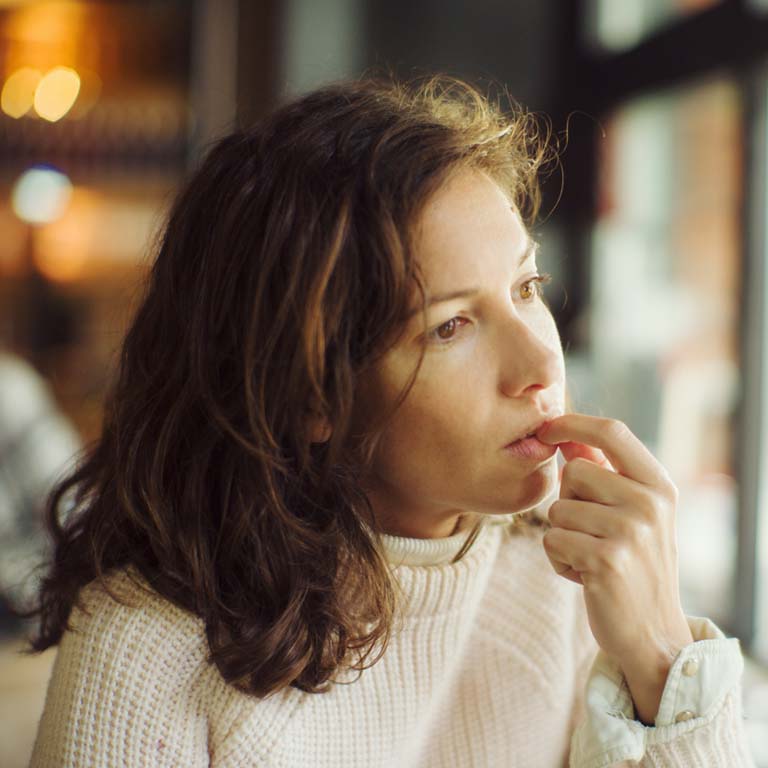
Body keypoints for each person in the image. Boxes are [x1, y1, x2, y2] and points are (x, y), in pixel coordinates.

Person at [23, 75, 754, 767]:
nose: (540, 362)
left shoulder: (565, 574)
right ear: (311, 394)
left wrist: (663, 660)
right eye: (451, 327)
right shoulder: (143, 646)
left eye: (528, 286)